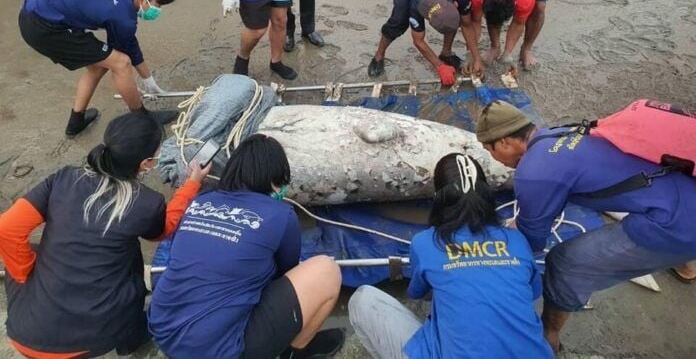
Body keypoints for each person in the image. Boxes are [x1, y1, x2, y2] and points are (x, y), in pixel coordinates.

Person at [475, 100, 696, 352]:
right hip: (685, 188)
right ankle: (684, 263)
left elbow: (533, 241)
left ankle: (549, 334)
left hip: (677, 224)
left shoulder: (533, 172)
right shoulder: (562, 133)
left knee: (564, 263)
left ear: (505, 142)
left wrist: (514, 228)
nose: (493, 158)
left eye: (489, 150)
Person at [0, 112, 206, 357]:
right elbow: (164, 231)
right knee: (130, 263)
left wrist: (26, 276)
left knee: (33, 252)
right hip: (88, 341)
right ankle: (130, 337)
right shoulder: (146, 202)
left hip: (25, 333)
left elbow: (7, 229)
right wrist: (191, 185)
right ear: (146, 163)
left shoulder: (64, 178)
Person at [148, 134, 345, 359]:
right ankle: (297, 352)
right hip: (219, 350)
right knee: (326, 270)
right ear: (273, 179)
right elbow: (286, 272)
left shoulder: (200, 201)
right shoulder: (281, 215)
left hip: (163, 328)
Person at [348, 153, 553, 359]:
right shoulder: (517, 240)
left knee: (362, 299)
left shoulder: (425, 242)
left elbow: (417, 293)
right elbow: (534, 293)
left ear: (439, 199)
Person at [18, 0, 179, 136]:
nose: (158, 10)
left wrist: (148, 80)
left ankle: (76, 121)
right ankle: (142, 118)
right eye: (158, 4)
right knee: (121, 63)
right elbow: (128, 49)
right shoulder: (121, 16)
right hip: (45, 26)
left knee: (99, 65)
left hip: (35, 10)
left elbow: (127, 44)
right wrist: (144, 80)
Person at [368, 0, 482, 85]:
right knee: (399, 21)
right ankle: (379, 55)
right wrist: (439, 67)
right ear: (427, 17)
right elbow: (418, 40)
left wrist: (477, 59)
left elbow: (467, 23)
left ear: (455, 4)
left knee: (454, 18)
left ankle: (446, 54)